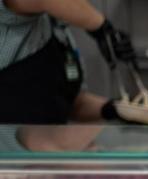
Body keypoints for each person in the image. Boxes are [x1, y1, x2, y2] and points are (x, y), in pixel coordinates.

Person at [0, 0, 136, 124]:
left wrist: (114, 109)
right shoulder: (12, 18)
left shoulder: (60, 33)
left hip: (43, 147)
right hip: (9, 149)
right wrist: (102, 28)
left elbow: (72, 105)